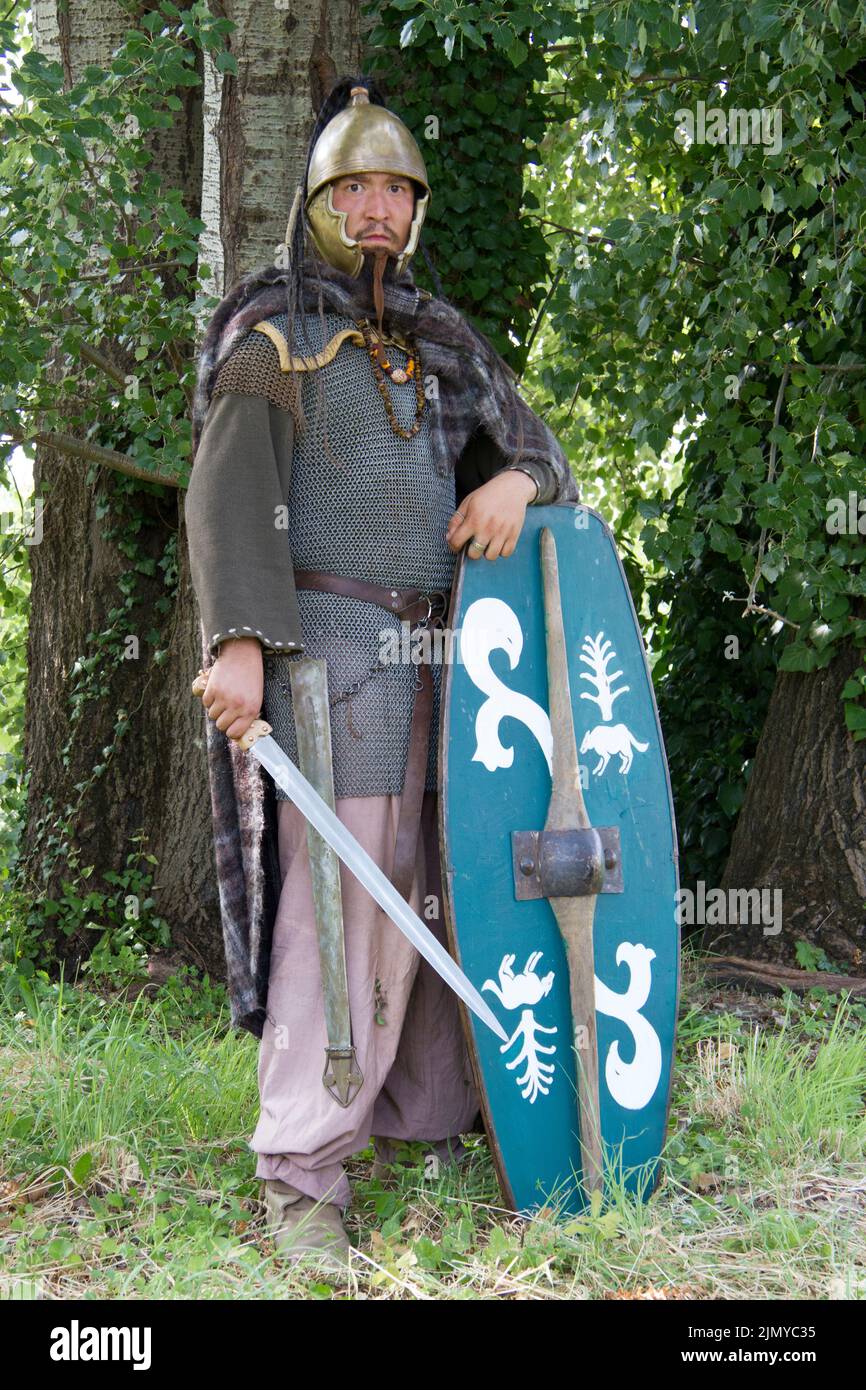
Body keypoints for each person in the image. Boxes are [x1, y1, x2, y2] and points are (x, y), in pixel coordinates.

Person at [185, 75, 578, 1270]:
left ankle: (419, 1123)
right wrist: (240, 641)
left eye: (392, 189)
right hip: (330, 664)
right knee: (335, 911)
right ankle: (304, 1173)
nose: (374, 209)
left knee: (427, 887)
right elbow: (225, 492)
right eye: (352, 187)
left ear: (414, 207)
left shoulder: (436, 344)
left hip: (444, 675)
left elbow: (533, 448)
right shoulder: (273, 342)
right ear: (316, 202)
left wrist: (516, 481)